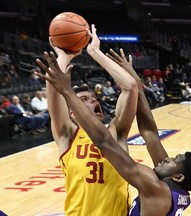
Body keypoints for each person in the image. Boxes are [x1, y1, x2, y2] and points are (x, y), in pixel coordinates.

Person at [36, 45, 191, 216]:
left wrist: (67, 89)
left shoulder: (154, 187)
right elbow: (149, 131)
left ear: (178, 177)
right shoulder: (172, 186)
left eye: (173, 161)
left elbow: (103, 141)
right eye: (84, 99)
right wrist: (135, 80)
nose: (165, 159)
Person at [36, 24, 138, 215]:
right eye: (83, 99)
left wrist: (95, 52)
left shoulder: (116, 132)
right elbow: (56, 90)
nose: (92, 100)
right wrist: (64, 57)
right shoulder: (68, 135)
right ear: (73, 112)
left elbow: (130, 87)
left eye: (93, 98)